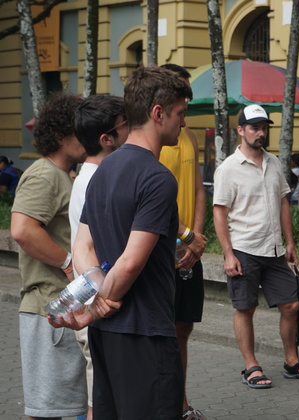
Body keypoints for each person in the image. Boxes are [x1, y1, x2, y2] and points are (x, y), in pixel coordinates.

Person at [50, 66, 192, 418]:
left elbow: (82, 249)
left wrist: (94, 302)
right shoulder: (158, 178)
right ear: (158, 113)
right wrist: (99, 303)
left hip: (106, 333)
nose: (183, 123)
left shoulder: (101, 171)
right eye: (180, 114)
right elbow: (129, 262)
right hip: (146, 334)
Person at [213, 104, 299, 390]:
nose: (260, 133)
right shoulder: (228, 168)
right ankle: (251, 365)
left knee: (291, 304)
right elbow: (220, 212)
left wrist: (289, 242)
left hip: (274, 250)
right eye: (254, 128)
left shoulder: (275, 162)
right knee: (245, 308)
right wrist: (228, 254)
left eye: (264, 128)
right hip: (243, 249)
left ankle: (291, 361)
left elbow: (283, 202)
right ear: (240, 130)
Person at [11, 92, 88, 420]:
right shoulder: (44, 174)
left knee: (58, 409)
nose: (86, 138)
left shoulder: (64, 175)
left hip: (60, 310)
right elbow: (23, 230)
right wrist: (69, 262)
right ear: (59, 136)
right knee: (46, 413)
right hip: (49, 309)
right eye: (78, 131)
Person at [70, 94, 129, 420]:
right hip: (97, 300)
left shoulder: (92, 176)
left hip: (96, 297)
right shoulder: (98, 180)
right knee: (100, 403)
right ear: (107, 139)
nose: (133, 129)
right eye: (126, 125)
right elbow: (90, 248)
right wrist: (104, 295)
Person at [159, 63, 209, 420]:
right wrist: (184, 239)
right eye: (181, 93)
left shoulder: (187, 133)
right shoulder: (155, 138)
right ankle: (170, 405)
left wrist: (197, 240)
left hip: (190, 249)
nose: (186, 103)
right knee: (163, 332)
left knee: (183, 329)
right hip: (165, 247)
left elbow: (199, 188)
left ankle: (180, 403)